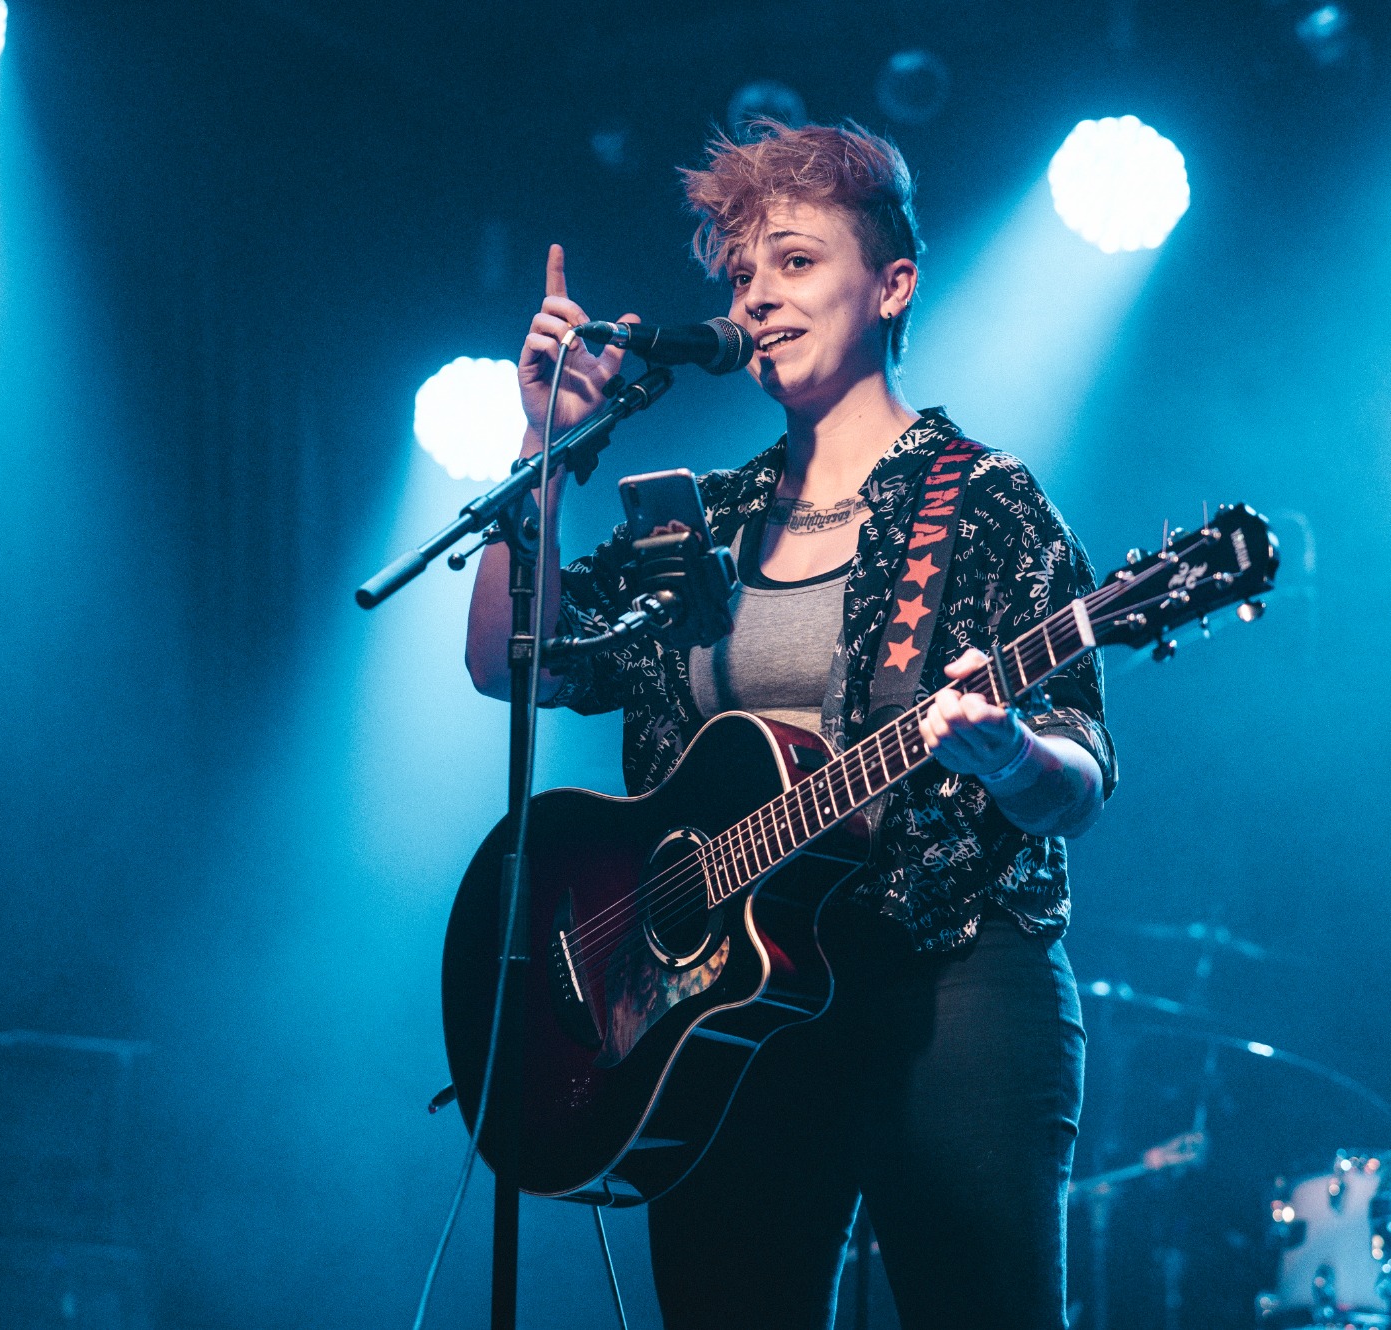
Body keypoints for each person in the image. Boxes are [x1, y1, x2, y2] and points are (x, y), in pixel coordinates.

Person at [466, 120, 1116, 1330]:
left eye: (795, 261)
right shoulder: (700, 517)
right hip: (724, 1005)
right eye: (739, 275)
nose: (755, 298)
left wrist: (1010, 752)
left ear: (891, 285)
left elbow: (1079, 769)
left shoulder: (982, 499)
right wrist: (542, 449)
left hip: (947, 981)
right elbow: (512, 657)